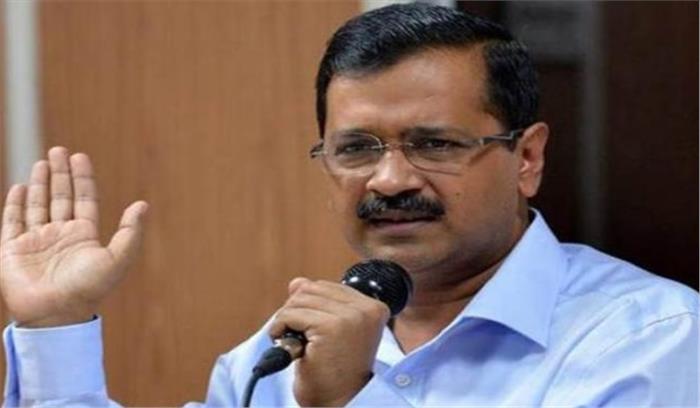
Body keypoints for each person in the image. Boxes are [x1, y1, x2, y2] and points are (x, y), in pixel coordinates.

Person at [1, 3, 697, 407]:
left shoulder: (651, 339)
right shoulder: (276, 355)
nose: (389, 180)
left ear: (528, 158)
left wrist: (351, 398)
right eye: (357, 148)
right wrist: (57, 325)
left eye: (434, 144)